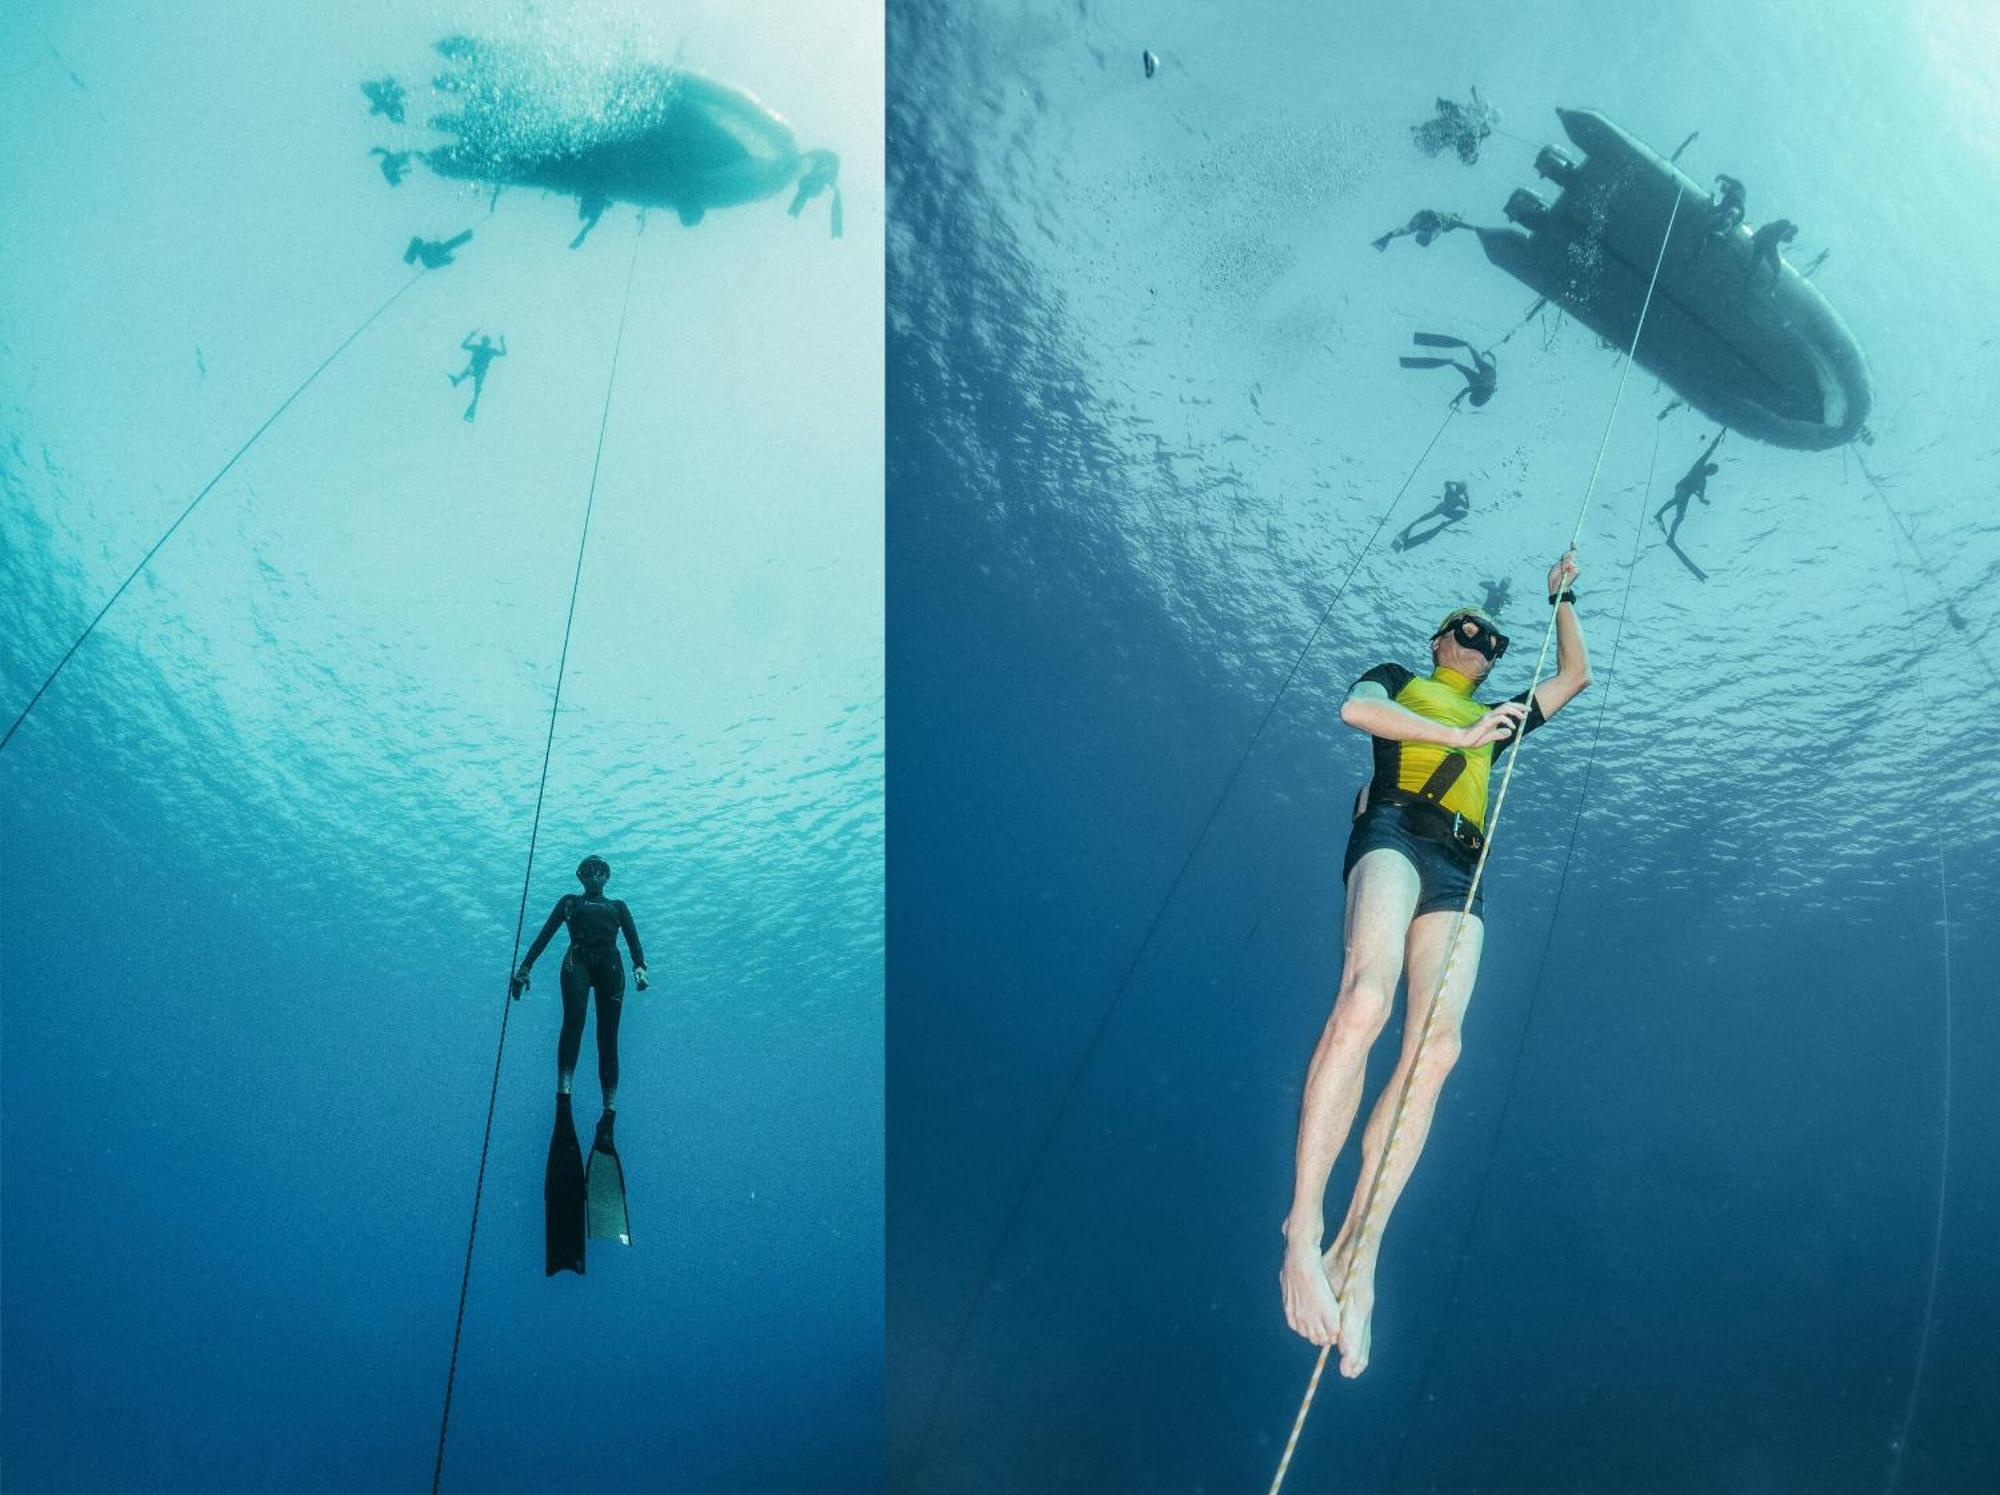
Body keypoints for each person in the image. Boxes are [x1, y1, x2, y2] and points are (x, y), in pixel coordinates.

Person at [1280, 555, 1591, 1378]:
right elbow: (1357, 710)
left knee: (1439, 1048)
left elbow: (1575, 675)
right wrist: (1456, 734)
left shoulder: (1501, 715)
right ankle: (1303, 1230)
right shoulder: (1400, 679)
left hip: (1463, 867)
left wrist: (1563, 599)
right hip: (1393, 828)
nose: (1480, 644)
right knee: (1367, 999)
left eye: (1490, 642)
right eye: (1466, 631)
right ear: (1436, 640)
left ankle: (1360, 1251)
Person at [513, 856, 649, 1269]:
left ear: (608, 876)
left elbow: (632, 939)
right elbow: (547, 933)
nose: (594, 876)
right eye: (588, 872)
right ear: (580, 877)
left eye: (600, 871)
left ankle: (609, 1110)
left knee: (608, 1039)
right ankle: (565, 1095)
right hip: (578, 961)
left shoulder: (618, 907)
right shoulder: (569, 902)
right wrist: (525, 965)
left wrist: (641, 966)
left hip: (610, 964)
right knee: (573, 1023)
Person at [1655, 430, 1724, 581]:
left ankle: (1671, 538)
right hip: (1681, 487)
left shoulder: (1703, 482)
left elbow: (1701, 497)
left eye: (1712, 473)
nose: (1710, 472)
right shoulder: (1700, 465)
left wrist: (1704, 500)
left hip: (1686, 494)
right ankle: (1659, 513)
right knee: (1677, 499)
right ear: (1708, 466)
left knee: (1680, 517)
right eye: (1711, 469)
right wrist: (1719, 436)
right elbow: (1710, 450)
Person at [1399, 332, 1497, 408]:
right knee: (1474, 360)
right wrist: (1457, 399)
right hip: (1487, 371)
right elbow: (1467, 390)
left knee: (1461, 367)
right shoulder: (1483, 389)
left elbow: (1470, 389)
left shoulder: (1484, 392)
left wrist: (1458, 399)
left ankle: (1454, 360)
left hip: (1479, 379)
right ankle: (1467, 346)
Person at [1411, 88, 1496, 165]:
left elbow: (1442, 141)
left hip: (1450, 123)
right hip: (1454, 117)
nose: (1464, 150)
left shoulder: (1451, 140)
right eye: (1467, 151)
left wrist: (1422, 132)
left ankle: (1425, 135)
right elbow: (1483, 131)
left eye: (1463, 154)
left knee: (1439, 141)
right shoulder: (1472, 134)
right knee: (1447, 122)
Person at [1391, 481, 1471, 552]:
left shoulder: (1459, 499)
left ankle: (1447, 522)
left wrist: (1466, 496)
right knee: (1429, 516)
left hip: (1448, 512)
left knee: (1464, 513)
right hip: (1441, 508)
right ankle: (1415, 523)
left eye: (1461, 490)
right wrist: (1457, 484)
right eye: (1460, 489)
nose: (1459, 491)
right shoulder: (1451, 491)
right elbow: (1446, 483)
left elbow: (1467, 507)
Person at [448, 331, 507, 422]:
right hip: (476, 369)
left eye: (486, 341)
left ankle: (471, 409)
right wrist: (471, 335)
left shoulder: (485, 349)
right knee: (470, 374)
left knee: (477, 389)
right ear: (483, 341)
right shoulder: (481, 348)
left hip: (480, 370)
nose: (485, 343)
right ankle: (458, 380)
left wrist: (502, 341)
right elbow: (463, 345)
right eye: (484, 341)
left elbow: (503, 354)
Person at [1371, 209, 1464, 253]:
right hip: (1433, 219)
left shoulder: (1447, 216)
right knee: (1438, 229)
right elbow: (1472, 227)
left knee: (1408, 229)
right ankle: (1427, 238)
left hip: (1424, 215)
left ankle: (1389, 236)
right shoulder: (1454, 220)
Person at [1747, 218, 1798, 293]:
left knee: (1756, 266)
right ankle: (1768, 289)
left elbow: (1767, 228)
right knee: (1774, 270)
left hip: (1764, 245)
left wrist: (1755, 236)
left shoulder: (1779, 228)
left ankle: (1768, 288)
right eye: (1791, 232)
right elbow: (1771, 230)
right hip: (1765, 246)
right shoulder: (1783, 225)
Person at [403, 229, 473, 269]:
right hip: (431, 260)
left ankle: (468, 235)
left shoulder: (436, 250)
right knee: (446, 246)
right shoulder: (437, 249)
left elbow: (452, 244)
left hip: (431, 260)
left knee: (446, 247)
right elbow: (452, 244)